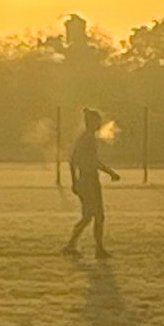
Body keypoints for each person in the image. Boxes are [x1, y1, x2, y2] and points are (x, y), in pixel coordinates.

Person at [63, 109, 120, 258]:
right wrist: (110, 172)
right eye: (97, 121)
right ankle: (96, 249)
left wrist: (75, 181)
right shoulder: (87, 139)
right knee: (97, 215)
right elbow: (89, 162)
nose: (100, 123)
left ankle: (73, 245)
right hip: (89, 181)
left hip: (87, 180)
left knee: (89, 215)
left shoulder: (86, 138)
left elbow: (75, 161)